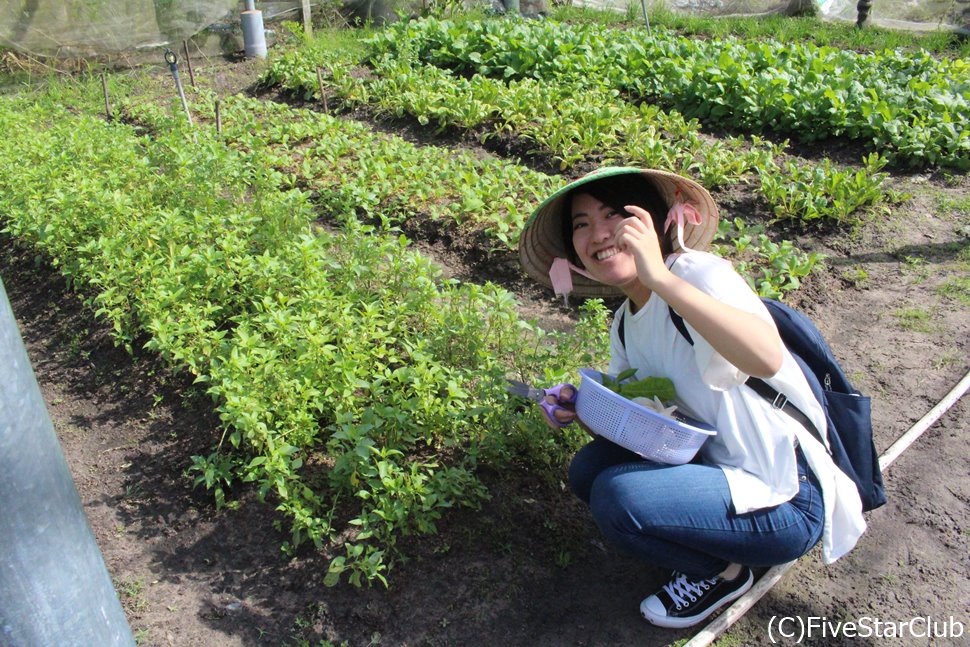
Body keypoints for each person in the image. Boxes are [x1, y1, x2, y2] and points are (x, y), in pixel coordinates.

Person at [518, 167, 867, 629]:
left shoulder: (698, 274)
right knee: (589, 470)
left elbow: (765, 356)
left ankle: (721, 573)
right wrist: (579, 408)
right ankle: (715, 543)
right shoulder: (625, 321)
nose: (599, 233)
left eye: (615, 214)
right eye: (581, 224)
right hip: (721, 468)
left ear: (656, 222)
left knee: (618, 496)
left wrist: (661, 278)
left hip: (790, 495)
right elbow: (644, 424)